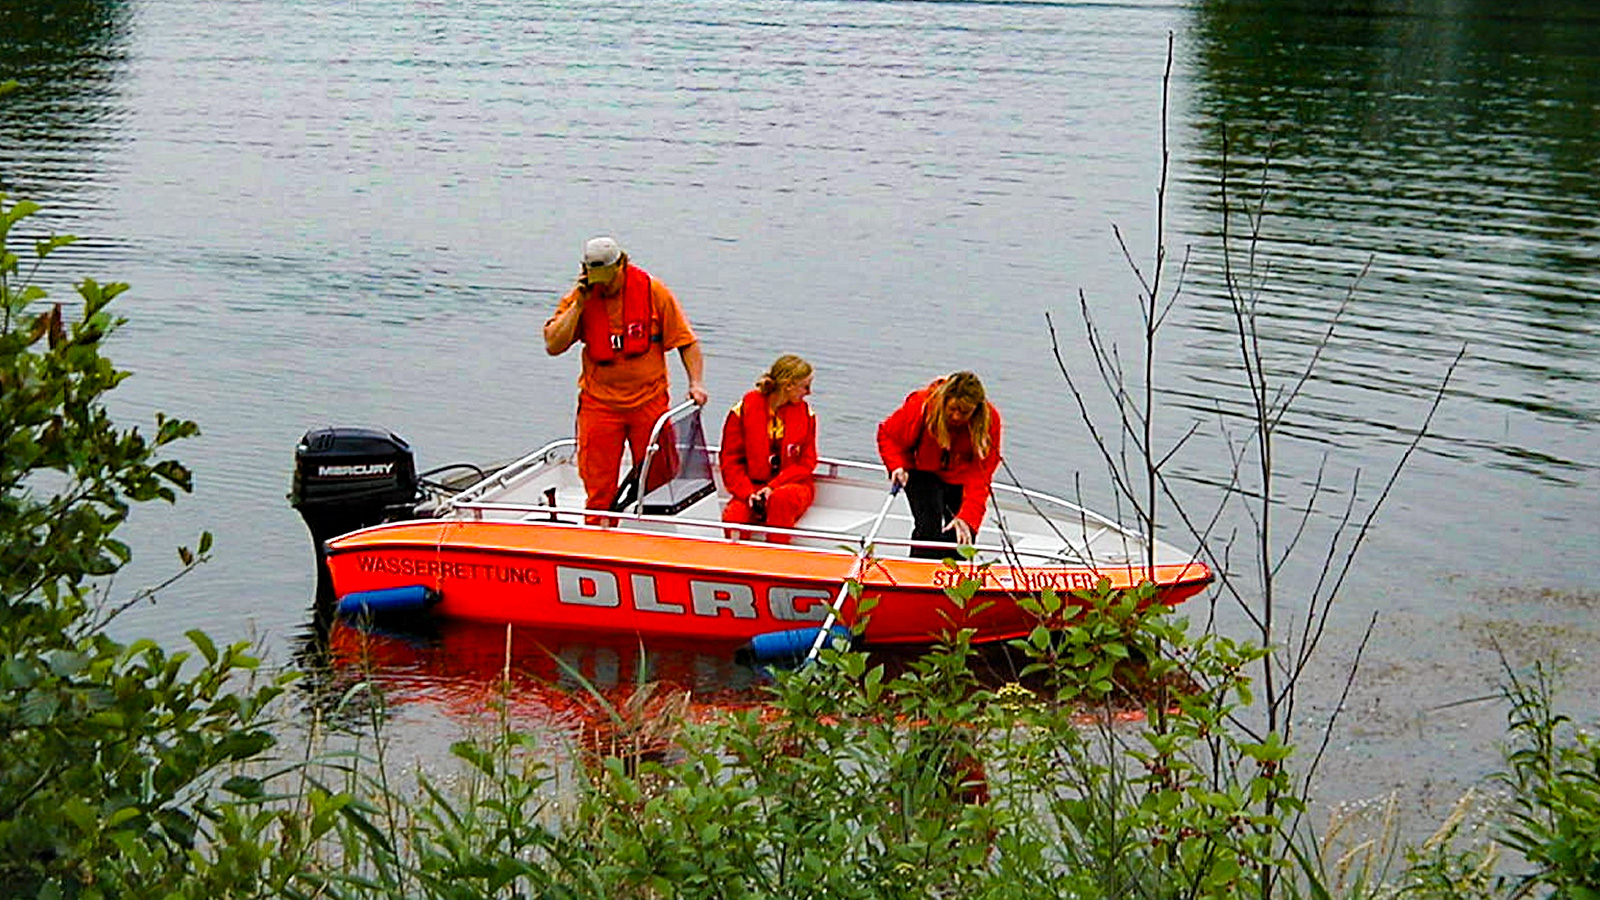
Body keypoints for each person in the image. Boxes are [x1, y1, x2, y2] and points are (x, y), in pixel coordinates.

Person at [544, 236, 708, 516]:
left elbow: (687, 342)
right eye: (597, 276)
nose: (603, 283)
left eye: (608, 276)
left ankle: (652, 530)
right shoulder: (580, 296)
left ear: (622, 264)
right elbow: (553, 345)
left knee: (660, 475)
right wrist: (579, 306)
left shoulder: (654, 292)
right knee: (599, 486)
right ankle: (601, 532)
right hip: (600, 405)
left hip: (649, 401)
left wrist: (695, 383)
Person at [876, 371, 1002, 559]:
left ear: (976, 409)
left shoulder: (989, 422)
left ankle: (959, 582)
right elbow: (887, 435)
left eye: (964, 412)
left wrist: (968, 516)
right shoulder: (921, 406)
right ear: (944, 400)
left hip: (961, 475)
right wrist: (896, 466)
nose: (957, 417)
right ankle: (916, 576)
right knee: (929, 529)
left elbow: (981, 474)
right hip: (921, 470)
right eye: (952, 409)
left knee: (962, 535)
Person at [720, 355, 818, 542]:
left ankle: (777, 553)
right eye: (805, 386)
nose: (809, 392)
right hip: (753, 485)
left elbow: (807, 463)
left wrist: (772, 487)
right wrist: (747, 493)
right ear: (788, 386)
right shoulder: (742, 411)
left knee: (781, 499)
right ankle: (736, 563)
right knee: (734, 519)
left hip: (792, 485)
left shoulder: (807, 415)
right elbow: (730, 461)